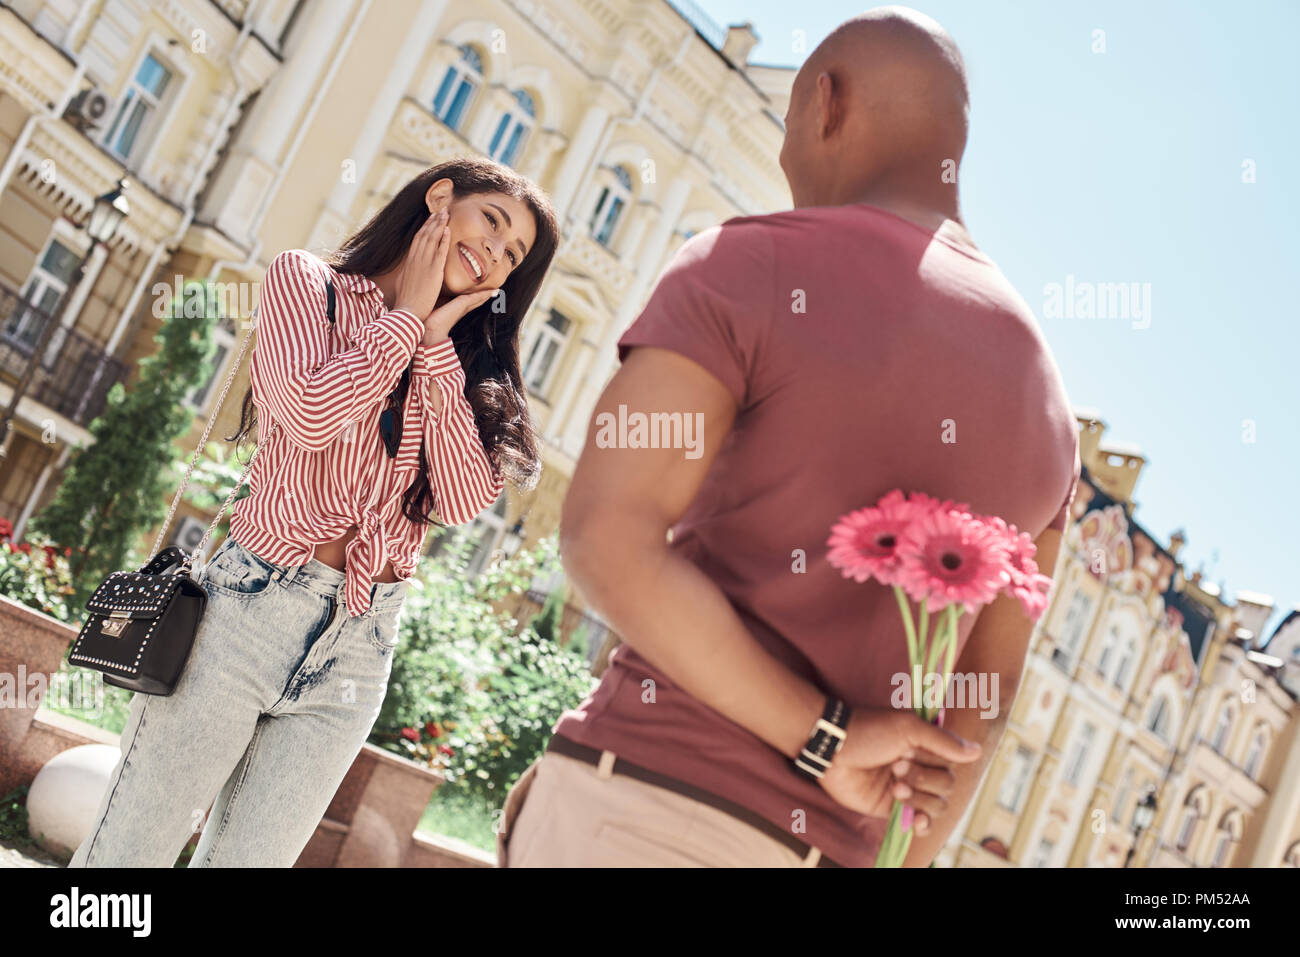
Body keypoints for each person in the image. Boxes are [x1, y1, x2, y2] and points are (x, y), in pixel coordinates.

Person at [499, 7, 1080, 868]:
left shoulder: (749, 264)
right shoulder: (1051, 410)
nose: (783, 157)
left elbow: (605, 537)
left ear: (823, 103)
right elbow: (978, 708)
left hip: (647, 801)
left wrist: (827, 740)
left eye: (784, 127)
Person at [70, 157, 558, 867]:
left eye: (513, 255)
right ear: (441, 199)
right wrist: (401, 323)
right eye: (493, 222)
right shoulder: (309, 284)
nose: (496, 255)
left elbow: (459, 497)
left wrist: (431, 350)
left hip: (360, 645)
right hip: (246, 610)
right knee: (128, 855)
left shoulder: (452, 366)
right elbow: (306, 415)